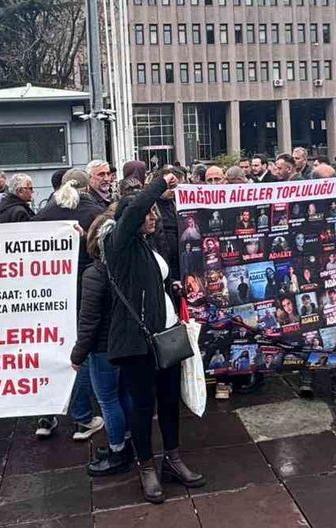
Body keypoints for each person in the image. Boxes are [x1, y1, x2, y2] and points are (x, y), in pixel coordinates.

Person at [101, 170, 203, 503]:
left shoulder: (146, 246)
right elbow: (133, 211)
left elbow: (150, 282)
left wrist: (171, 287)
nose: (152, 218)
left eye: (154, 213)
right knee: (143, 407)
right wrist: (160, 181)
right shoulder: (118, 242)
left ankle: (173, 459)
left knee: (170, 401)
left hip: (166, 337)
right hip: (137, 342)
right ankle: (145, 467)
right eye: (147, 214)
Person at [33, 170, 106, 441]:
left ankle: (46, 415)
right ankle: (83, 417)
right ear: (86, 188)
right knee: (82, 352)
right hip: (83, 291)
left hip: (49, 293)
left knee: (48, 349)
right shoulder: (95, 212)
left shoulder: (43, 214)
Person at [72, 208, 133, 475]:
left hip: (103, 348)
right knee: (124, 394)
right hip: (127, 344)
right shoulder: (127, 268)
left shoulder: (94, 275)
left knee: (108, 400)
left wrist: (78, 355)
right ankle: (128, 441)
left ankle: (117, 451)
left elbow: (89, 322)